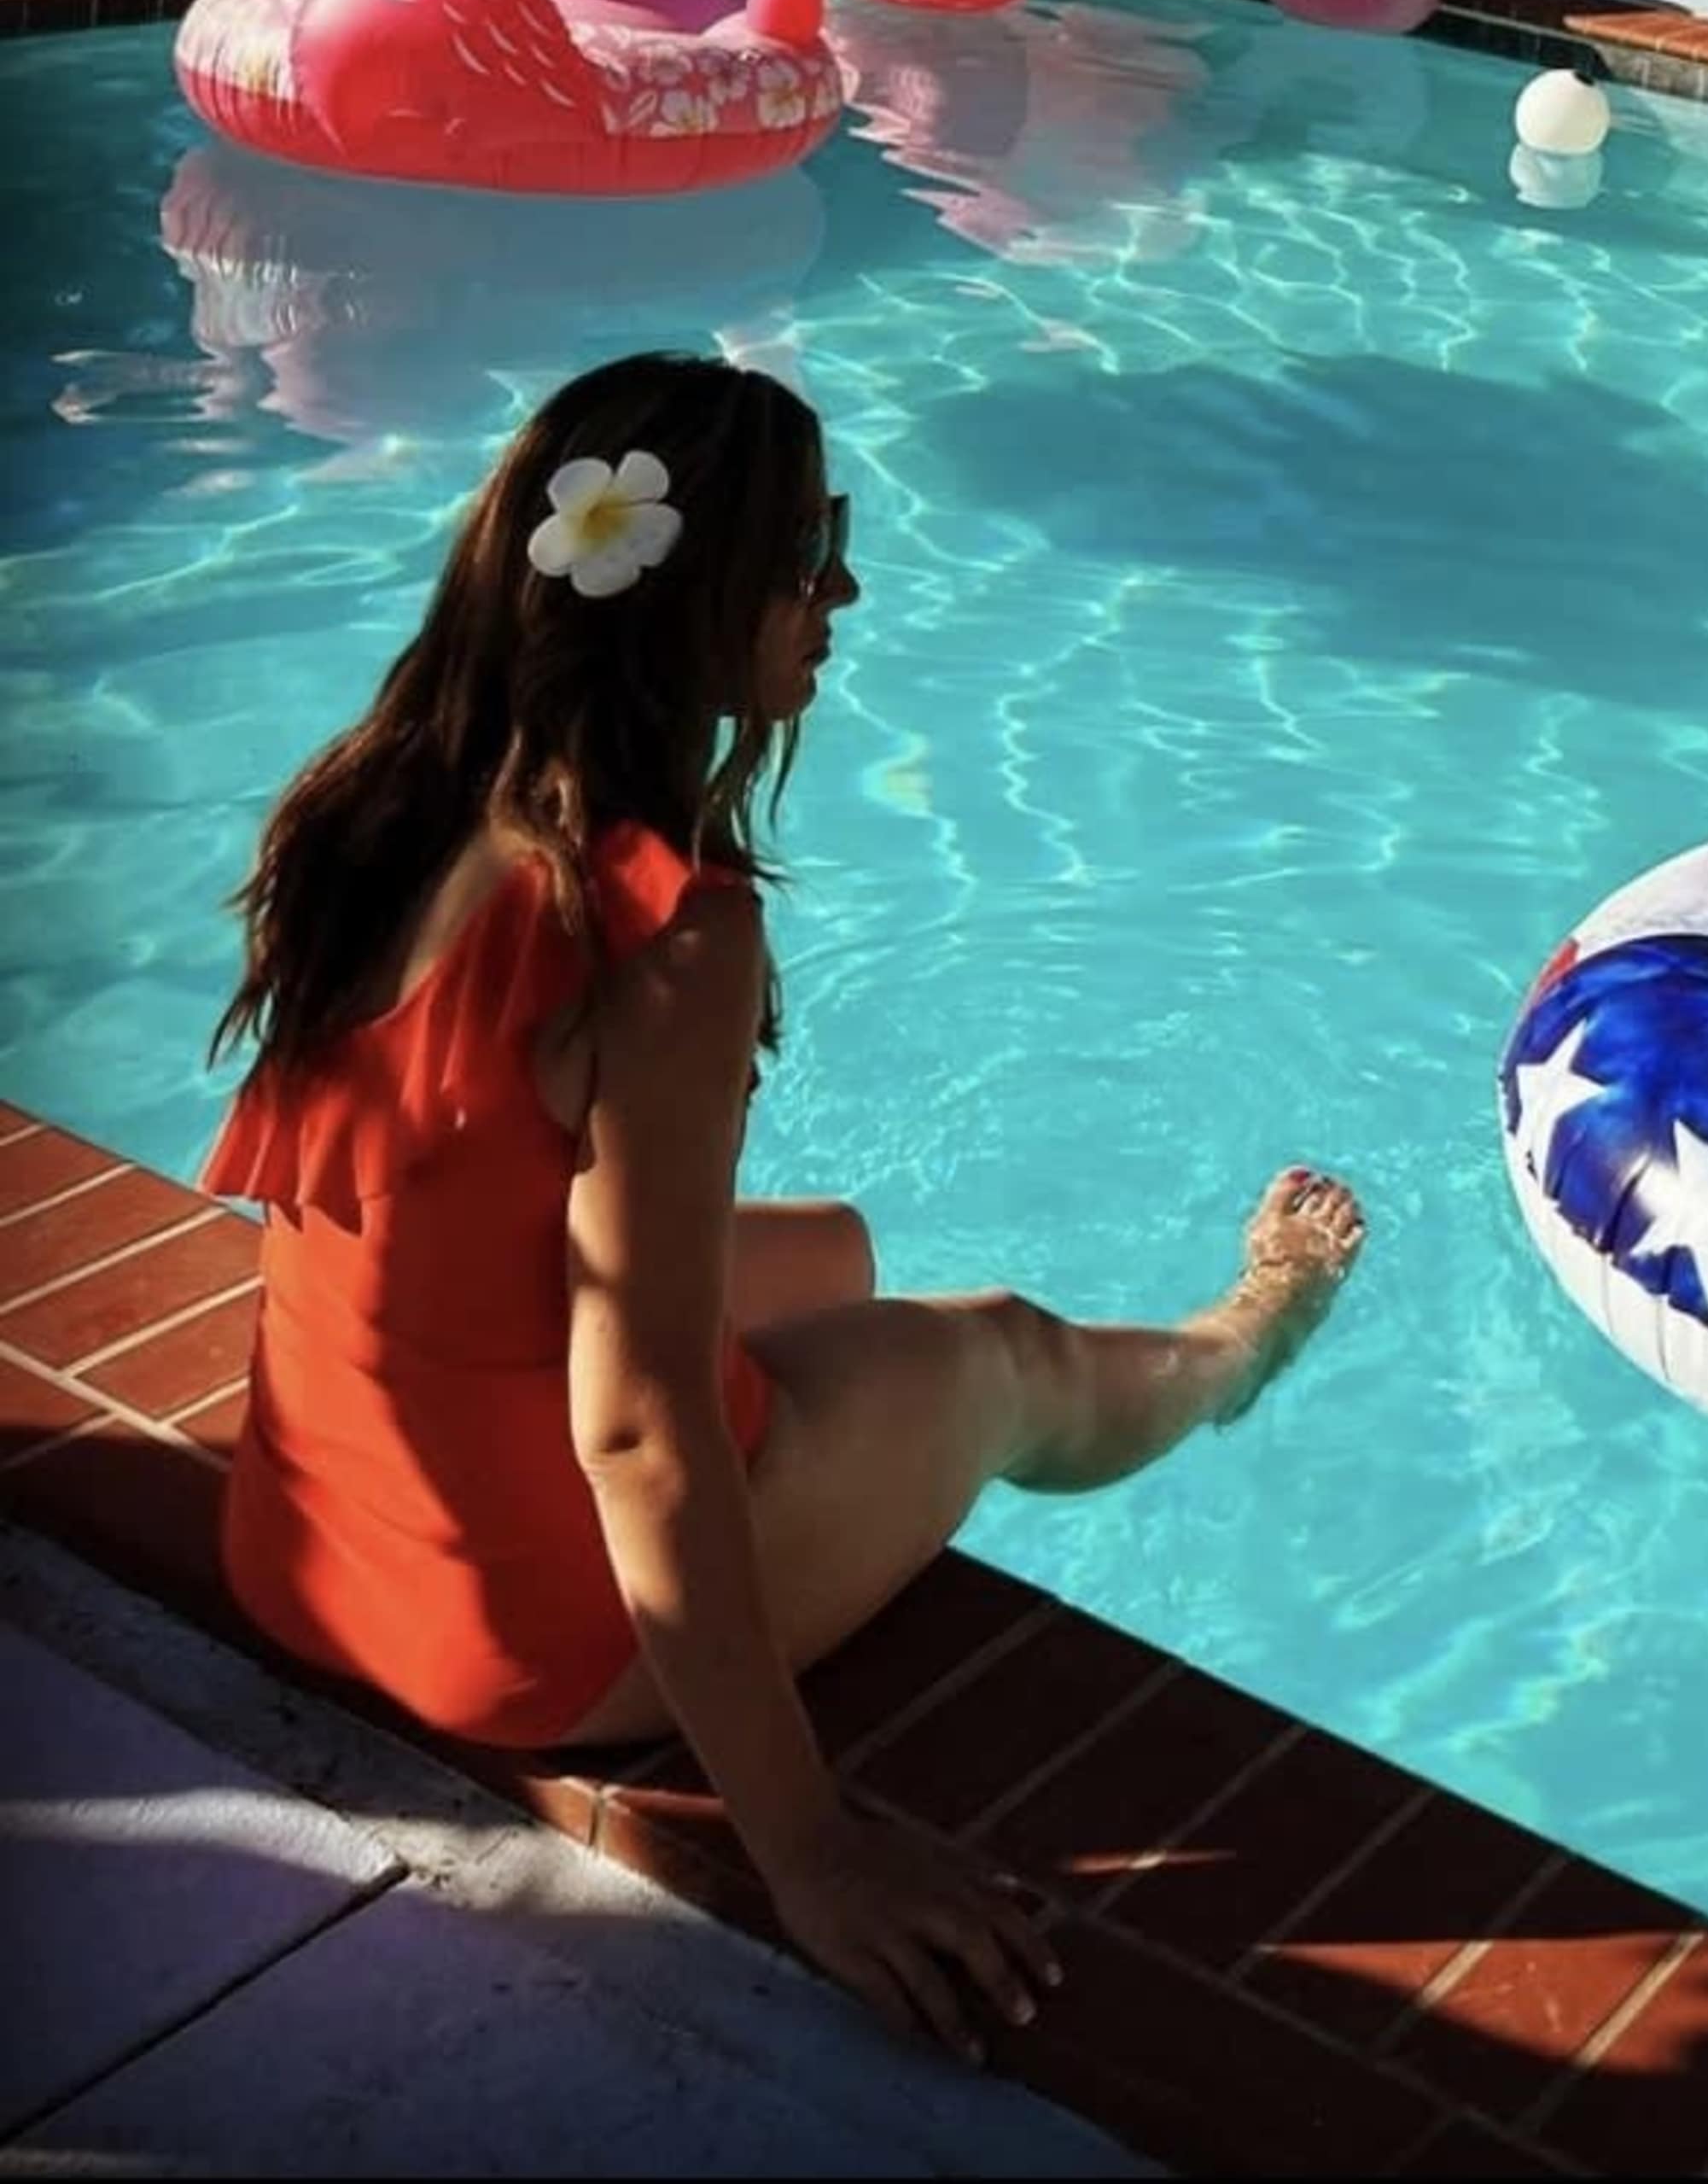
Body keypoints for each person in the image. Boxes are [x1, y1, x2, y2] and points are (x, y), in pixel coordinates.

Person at [196, 347, 1366, 2064]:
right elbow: (640, 1432)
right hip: (510, 1638)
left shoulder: (385, 798)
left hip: (301, 1553)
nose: (845, 587)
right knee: (997, 1350)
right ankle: (1237, 1340)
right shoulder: (657, 934)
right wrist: (808, 1853)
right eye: (809, 549)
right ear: (689, 597)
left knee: (834, 1250)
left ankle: (1024, 1363)